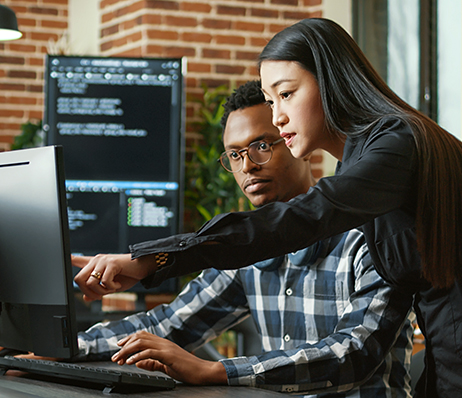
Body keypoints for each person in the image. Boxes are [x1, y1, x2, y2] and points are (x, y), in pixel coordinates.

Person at [74, 19, 462, 397]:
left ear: (330, 80)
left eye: (286, 94)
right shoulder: (365, 165)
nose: (278, 117)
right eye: (271, 99)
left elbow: (305, 217)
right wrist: (64, 349)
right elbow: (171, 321)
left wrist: (154, 259)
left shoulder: (396, 146)